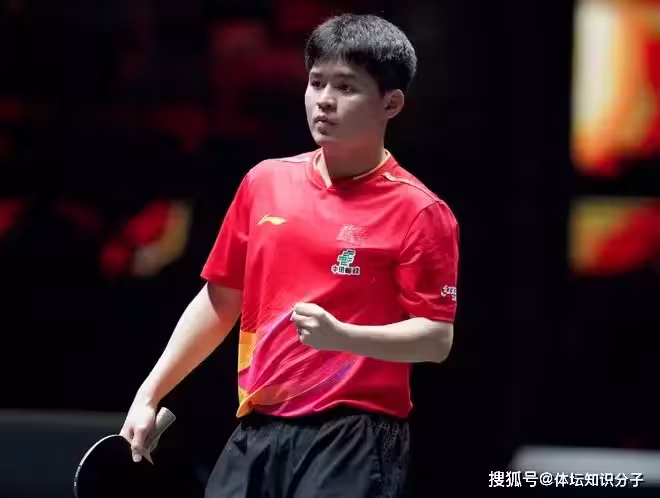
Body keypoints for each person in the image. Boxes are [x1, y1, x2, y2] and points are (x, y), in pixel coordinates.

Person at [120, 13, 459, 498]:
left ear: (391, 102)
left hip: (353, 433)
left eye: (346, 87)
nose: (325, 99)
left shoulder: (420, 211)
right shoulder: (265, 182)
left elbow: (436, 339)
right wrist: (149, 393)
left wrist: (343, 337)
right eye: (316, 82)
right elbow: (219, 301)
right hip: (259, 426)